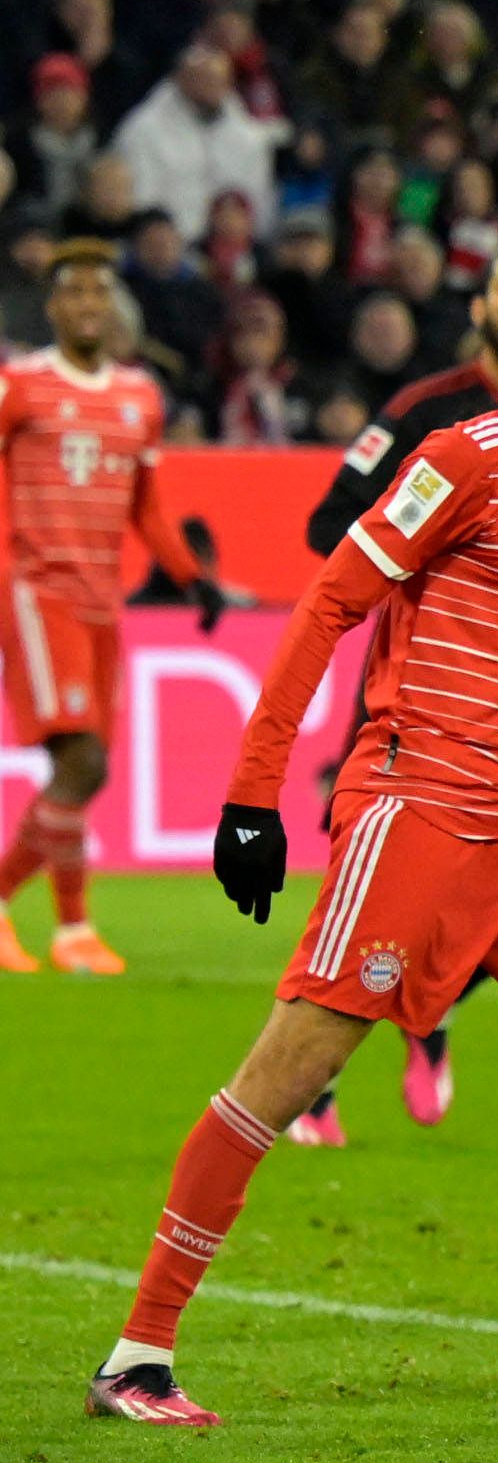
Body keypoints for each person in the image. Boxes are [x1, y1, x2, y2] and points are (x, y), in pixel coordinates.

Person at [88, 232, 498, 1426]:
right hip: (419, 811)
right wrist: (251, 795)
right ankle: (137, 1355)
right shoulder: (466, 458)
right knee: (290, 1072)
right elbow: (329, 603)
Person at [281, 246, 498, 1144]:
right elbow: (326, 524)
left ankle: (430, 1015)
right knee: (367, 883)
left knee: (494, 890)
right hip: (413, 680)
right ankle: (313, 1079)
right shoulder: (429, 411)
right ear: (483, 309)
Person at [0, 242, 229, 977]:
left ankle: (71, 931)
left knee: (86, 770)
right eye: (74, 294)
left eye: (101, 294)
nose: (88, 306)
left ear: (114, 308)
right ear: (54, 307)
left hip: (103, 599)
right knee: (82, 761)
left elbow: (148, 507)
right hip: (41, 590)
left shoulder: (139, 396)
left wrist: (193, 576)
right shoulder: (21, 386)